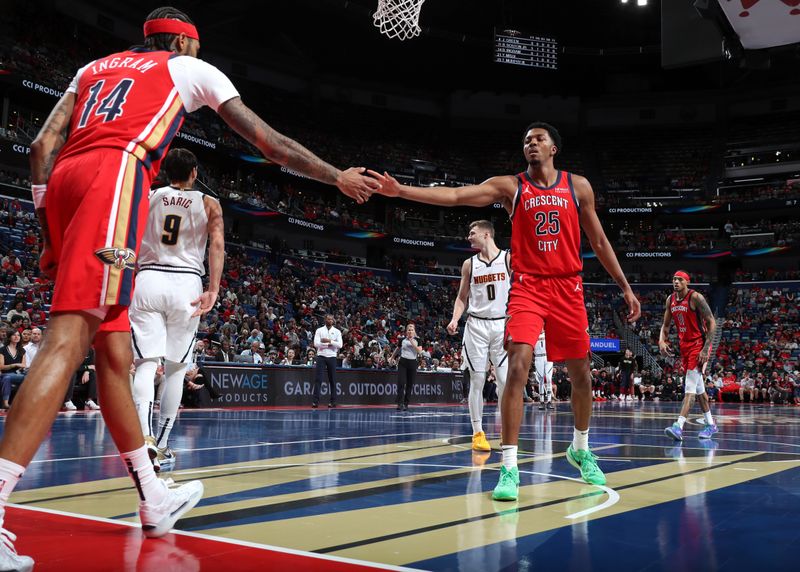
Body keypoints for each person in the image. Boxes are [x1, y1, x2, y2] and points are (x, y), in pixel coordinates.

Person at [1, 6, 379, 568]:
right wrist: (335, 176)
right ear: (183, 41)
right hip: (116, 177)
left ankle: (154, 497)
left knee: (114, 352)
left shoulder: (94, 66)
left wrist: (48, 226)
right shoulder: (187, 68)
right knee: (68, 338)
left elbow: (39, 147)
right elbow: (269, 142)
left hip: (63, 184)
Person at [369, 121, 641, 501]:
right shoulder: (511, 187)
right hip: (528, 288)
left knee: (581, 374)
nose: (531, 144)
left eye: (538, 139)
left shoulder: (577, 186)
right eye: (526, 140)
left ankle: (580, 447)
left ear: (553, 148)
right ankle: (509, 467)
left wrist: (625, 287)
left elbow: (598, 239)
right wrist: (400, 191)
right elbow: (457, 196)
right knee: (517, 366)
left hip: (568, 287)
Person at [130, 147, 224, 472]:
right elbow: (218, 245)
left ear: (165, 171)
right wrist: (213, 288)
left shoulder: (150, 196)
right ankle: (164, 444)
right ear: (195, 172)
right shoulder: (209, 203)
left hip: (149, 277)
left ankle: (143, 438)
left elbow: (128, 236)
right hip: (186, 284)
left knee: (144, 364)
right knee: (175, 370)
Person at [446, 220, 510, 452]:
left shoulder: (507, 259)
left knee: (504, 381)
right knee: (477, 379)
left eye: (472, 233)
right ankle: (477, 433)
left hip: (503, 324)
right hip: (476, 326)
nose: (468, 237)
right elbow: (462, 297)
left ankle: (506, 430)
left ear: (486, 234)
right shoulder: (469, 264)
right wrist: (455, 319)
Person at [660, 271, 718, 441]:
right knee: (700, 391)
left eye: (680, 279)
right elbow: (665, 326)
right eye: (674, 279)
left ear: (687, 282)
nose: (676, 282)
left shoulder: (696, 297)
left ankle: (678, 426)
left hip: (698, 345)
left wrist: (705, 349)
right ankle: (710, 424)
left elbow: (711, 322)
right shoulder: (670, 300)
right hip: (684, 346)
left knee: (690, 388)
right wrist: (662, 341)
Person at [312, 314, 342, 408]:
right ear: (325, 319)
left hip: (332, 356)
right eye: (328, 319)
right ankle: (315, 402)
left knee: (332, 379)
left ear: (333, 320)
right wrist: (329, 345)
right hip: (321, 356)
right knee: (318, 379)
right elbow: (316, 344)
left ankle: (333, 401)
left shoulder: (337, 331)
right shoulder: (319, 330)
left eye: (331, 319)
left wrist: (329, 341)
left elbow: (340, 345)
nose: (329, 320)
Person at [391, 324, 424, 411]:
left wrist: (412, 341)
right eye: (408, 330)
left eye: (412, 330)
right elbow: (398, 349)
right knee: (401, 383)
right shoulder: (402, 340)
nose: (410, 331)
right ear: (406, 331)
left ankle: (406, 403)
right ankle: (399, 403)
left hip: (413, 363)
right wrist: (391, 357)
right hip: (403, 362)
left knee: (410, 385)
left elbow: (419, 351)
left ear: (414, 331)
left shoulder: (418, 340)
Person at [0, 331, 27, 409]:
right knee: (7, 378)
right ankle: (6, 404)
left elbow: (23, 365)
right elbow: (1, 367)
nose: (16, 337)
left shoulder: (22, 350)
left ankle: (24, 403)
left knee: (28, 378)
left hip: (18, 374)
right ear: (9, 337)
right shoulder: (2, 350)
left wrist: (20, 367)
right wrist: (14, 365)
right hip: (5, 374)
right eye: (14, 335)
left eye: (18, 335)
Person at [534, 332, 555, 411]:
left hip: (548, 357)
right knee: (541, 380)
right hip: (538, 358)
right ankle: (542, 401)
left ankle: (549, 401)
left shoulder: (548, 334)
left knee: (549, 379)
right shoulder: (534, 334)